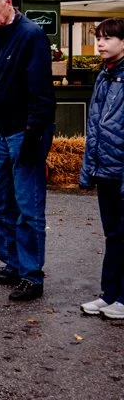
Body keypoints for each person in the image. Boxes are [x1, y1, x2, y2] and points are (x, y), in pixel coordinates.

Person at [0, 0, 55, 302]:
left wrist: (35, 136)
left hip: (26, 131)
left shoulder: (31, 35)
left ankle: (31, 275)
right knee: (2, 202)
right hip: (7, 131)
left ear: (8, 2)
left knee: (28, 207)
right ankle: (12, 263)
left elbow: (41, 93)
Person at [79, 18, 124, 319]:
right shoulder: (104, 76)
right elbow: (94, 126)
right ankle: (110, 294)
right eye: (98, 37)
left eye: (108, 38)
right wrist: (89, 168)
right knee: (113, 234)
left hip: (120, 168)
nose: (100, 43)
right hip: (105, 167)